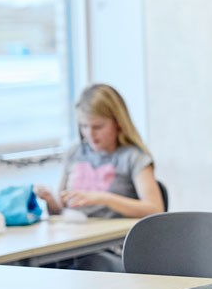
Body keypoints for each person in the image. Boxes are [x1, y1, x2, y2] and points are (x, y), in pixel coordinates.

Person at [35, 84, 165, 271]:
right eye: (84, 126)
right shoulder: (75, 152)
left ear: (118, 122)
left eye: (98, 127)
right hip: (72, 244)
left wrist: (103, 198)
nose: (90, 134)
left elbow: (154, 209)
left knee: (87, 266)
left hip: (111, 249)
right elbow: (60, 209)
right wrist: (49, 200)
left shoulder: (133, 157)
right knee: (43, 267)